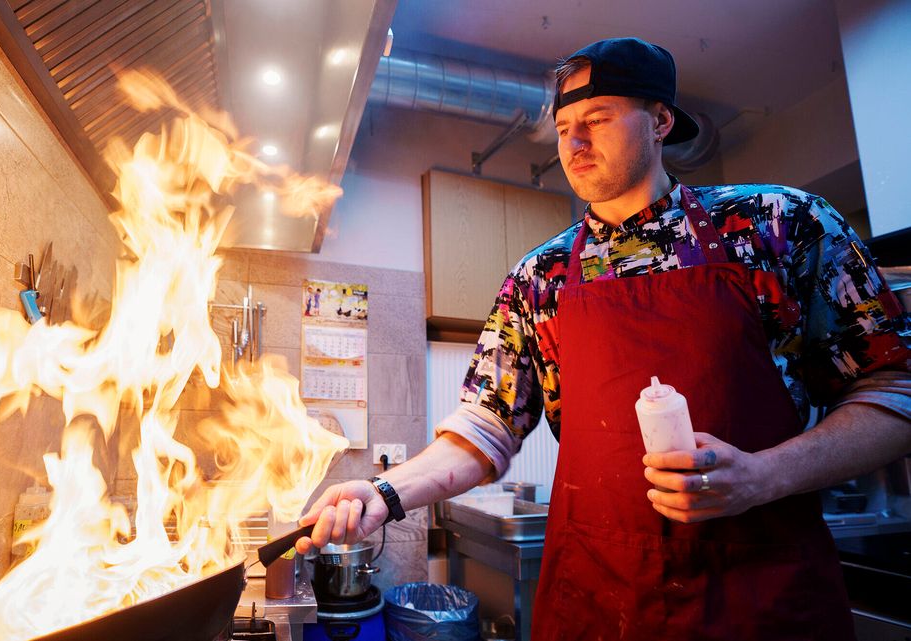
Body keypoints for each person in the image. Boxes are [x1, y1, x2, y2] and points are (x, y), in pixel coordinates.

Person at [295, 37, 911, 640]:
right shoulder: (539, 277)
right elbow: (484, 427)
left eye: (597, 118)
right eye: (564, 127)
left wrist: (765, 475)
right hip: (601, 600)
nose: (575, 142)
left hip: (762, 594)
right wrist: (384, 491)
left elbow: (895, 392)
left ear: (661, 120)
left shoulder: (779, 225)